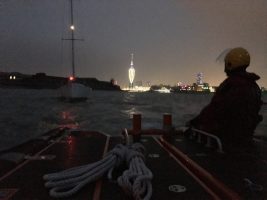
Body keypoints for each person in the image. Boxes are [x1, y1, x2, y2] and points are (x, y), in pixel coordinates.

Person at [186, 47, 263, 148]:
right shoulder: (254, 86)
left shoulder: (231, 84)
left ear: (230, 63)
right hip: (245, 136)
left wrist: (194, 122)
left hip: (226, 136)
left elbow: (214, 109)